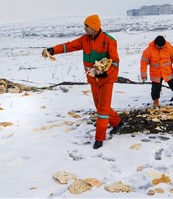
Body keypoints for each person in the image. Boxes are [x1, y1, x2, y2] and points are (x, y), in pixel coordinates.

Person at [42, 14, 123, 149]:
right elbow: (69, 46)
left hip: (106, 80)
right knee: (100, 105)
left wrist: (105, 73)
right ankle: (118, 122)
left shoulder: (109, 41)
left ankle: (99, 138)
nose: (84, 28)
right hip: (92, 79)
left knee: (102, 109)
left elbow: (115, 61)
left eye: (87, 26)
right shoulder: (84, 39)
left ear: (95, 27)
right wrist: (52, 50)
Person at [140, 35, 173, 108]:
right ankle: (156, 103)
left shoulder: (169, 47)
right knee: (155, 90)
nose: (161, 48)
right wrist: (143, 75)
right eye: (159, 46)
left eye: (162, 46)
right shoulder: (148, 50)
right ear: (155, 44)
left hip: (168, 72)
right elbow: (143, 63)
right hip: (156, 74)